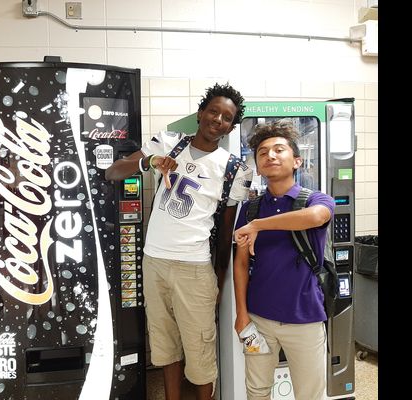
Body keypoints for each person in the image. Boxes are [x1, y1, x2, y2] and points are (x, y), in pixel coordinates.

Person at [106, 83, 252, 400]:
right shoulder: (169, 142)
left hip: (195, 269)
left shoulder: (234, 169)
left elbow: (226, 234)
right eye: (213, 111)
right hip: (154, 261)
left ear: (230, 126)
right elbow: (113, 172)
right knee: (164, 345)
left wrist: (220, 282)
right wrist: (149, 163)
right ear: (200, 113)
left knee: (200, 351)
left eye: (227, 117)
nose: (218, 119)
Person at [232, 119, 334, 400]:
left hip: (305, 318)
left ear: (297, 161)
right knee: (257, 390)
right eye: (263, 153)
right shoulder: (251, 208)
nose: (270, 156)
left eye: (279, 150)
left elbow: (315, 218)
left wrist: (258, 226)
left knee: (310, 394)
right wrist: (241, 314)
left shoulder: (316, 199)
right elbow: (240, 262)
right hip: (258, 318)